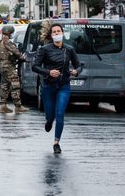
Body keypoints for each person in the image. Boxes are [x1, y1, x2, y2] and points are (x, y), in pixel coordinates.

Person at [32, 23, 81, 154]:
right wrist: (48, 72)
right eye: (54, 32)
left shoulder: (69, 49)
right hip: (48, 86)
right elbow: (35, 66)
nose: (57, 34)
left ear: (63, 33)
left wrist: (76, 71)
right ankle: (49, 121)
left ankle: (56, 142)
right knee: (50, 114)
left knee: (60, 113)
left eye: (59, 31)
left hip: (64, 85)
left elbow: (78, 65)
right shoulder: (45, 49)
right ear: (51, 35)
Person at [0, 25, 29, 114]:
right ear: (9, 32)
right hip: (9, 67)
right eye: (11, 33)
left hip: (3, 66)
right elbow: (15, 51)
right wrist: (22, 57)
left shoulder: (0, 41)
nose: (12, 34)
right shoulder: (6, 41)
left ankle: (3, 106)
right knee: (15, 85)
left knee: (4, 86)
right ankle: (18, 106)